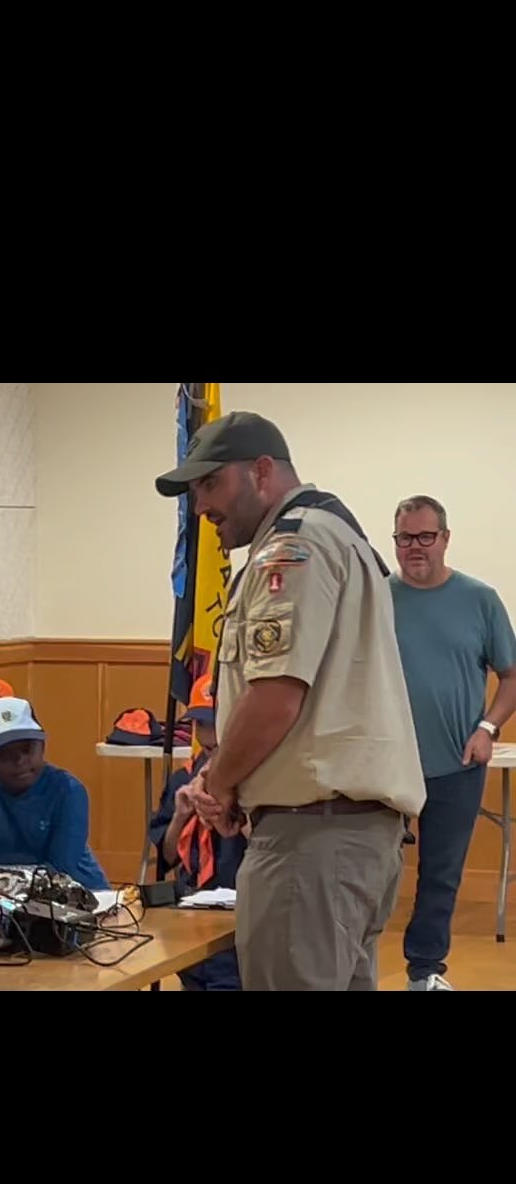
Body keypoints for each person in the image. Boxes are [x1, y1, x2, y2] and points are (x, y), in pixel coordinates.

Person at [155, 411, 425, 992]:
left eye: (210, 484)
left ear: (262, 470)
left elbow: (276, 696)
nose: (200, 508)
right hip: (347, 837)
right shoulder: (335, 533)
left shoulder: (293, 548)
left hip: (312, 842)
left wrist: (217, 784)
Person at [388, 496, 516, 991]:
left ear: (445, 538)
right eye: (405, 538)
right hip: (384, 767)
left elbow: (510, 676)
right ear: (395, 541)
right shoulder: (376, 599)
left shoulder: (479, 600)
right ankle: (354, 967)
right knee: (371, 875)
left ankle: (424, 973)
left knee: (440, 877)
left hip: (457, 764)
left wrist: (488, 729)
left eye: (425, 536)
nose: (414, 547)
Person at [149, 674, 243, 990]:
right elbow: (167, 857)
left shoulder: (254, 784)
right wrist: (180, 816)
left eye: (215, 723)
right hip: (190, 921)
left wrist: (227, 815)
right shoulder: (183, 780)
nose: (206, 734)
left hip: (236, 926)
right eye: (199, 724)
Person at [0, 698, 108, 887]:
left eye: (27, 749)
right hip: (0, 898)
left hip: (78, 894)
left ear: (42, 747)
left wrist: (1, 886)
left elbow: (60, 868)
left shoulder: (68, 790)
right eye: (5, 754)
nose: (20, 761)